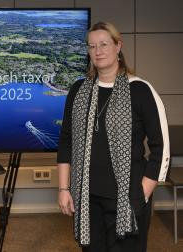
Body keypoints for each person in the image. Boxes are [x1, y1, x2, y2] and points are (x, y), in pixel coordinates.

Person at [57, 22, 170, 251]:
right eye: (91, 46)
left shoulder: (140, 90)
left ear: (118, 46)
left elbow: (161, 147)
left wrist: (142, 193)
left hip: (128, 198)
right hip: (86, 199)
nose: (97, 51)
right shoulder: (78, 91)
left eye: (104, 44)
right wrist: (63, 188)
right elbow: (66, 141)